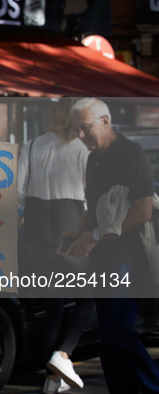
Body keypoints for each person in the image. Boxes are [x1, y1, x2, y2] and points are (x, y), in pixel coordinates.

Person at [63, 97, 159, 393]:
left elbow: (143, 210)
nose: (80, 136)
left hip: (126, 256)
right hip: (101, 258)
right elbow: (94, 208)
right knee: (108, 339)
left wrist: (94, 236)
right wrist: (78, 229)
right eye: (76, 130)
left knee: (118, 332)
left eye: (85, 128)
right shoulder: (94, 159)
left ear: (105, 122)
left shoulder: (132, 152)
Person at [17, 97, 94, 393]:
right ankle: (62, 356)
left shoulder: (33, 145)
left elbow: (19, 193)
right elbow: (91, 194)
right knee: (87, 298)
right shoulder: (83, 149)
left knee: (54, 306)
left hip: (37, 235)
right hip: (70, 230)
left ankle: (51, 381)